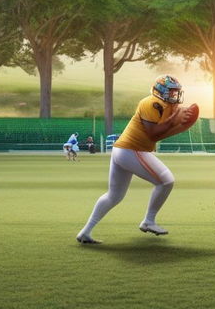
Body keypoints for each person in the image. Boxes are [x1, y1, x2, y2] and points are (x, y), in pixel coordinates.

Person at [76, 75, 198, 244]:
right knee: (166, 181)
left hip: (122, 150)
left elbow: (161, 134)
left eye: (176, 92)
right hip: (131, 149)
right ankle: (148, 221)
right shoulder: (150, 103)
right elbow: (153, 133)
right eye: (172, 92)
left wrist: (180, 125)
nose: (175, 95)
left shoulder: (168, 106)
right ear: (160, 91)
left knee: (114, 195)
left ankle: (85, 232)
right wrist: (173, 121)